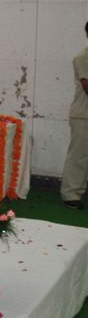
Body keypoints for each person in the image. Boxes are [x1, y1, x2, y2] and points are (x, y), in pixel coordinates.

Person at [60, 21, 88, 209]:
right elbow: (87, 86)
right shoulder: (83, 57)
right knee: (79, 156)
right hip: (83, 115)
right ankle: (71, 194)